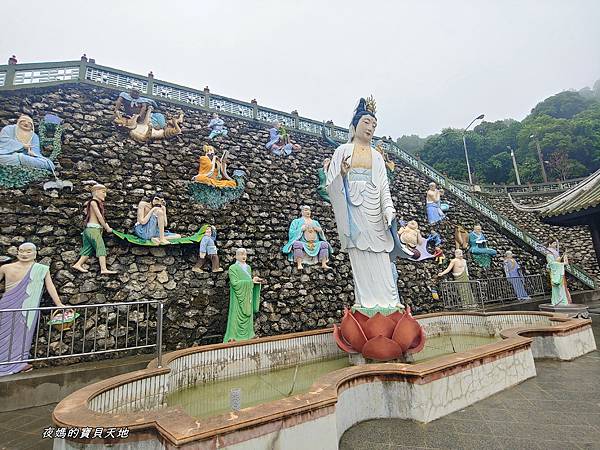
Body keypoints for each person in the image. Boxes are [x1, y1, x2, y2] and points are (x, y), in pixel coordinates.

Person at [326, 97, 401, 309]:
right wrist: (341, 174)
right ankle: (366, 302)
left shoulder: (377, 157)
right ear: (355, 125)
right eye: (366, 122)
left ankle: (389, 301)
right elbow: (331, 185)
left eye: (374, 125)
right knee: (360, 255)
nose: (370, 128)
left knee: (381, 257)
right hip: (353, 208)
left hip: (374, 208)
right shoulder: (341, 151)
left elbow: (384, 186)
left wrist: (388, 209)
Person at [1, 243, 65, 376]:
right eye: (22, 251)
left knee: (23, 335)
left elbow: (50, 287)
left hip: (29, 308)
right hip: (7, 306)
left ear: (35, 253)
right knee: (4, 336)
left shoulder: (41, 269)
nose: (25, 254)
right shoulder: (5, 268)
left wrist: (59, 303)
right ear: (17, 252)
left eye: (29, 251)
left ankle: (19, 362)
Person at [72, 184, 117, 274]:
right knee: (100, 247)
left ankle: (78, 264)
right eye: (103, 192)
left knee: (87, 249)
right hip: (93, 230)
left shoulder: (92, 203)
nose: (105, 195)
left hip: (89, 230)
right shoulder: (93, 202)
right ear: (96, 192)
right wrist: (107, 228)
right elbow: (100, 217)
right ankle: (103, 268)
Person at [223, 248, 264, 342]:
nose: (244, 256)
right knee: (236, 315)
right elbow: (234, 283)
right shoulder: (233, 268)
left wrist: (255, 280)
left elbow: (249, 280)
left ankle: (249, 334)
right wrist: (250, 282)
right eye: (241, 254)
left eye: (245, 254)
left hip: (247, 295)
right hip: (238, 296)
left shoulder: (248, 268)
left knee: (248, 316)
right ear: (236, 256)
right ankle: (232, 336)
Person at [282, 205, 332, 270]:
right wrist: (300, 229)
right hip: (303, 243)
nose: (308, 212)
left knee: (324, 244)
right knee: (297, 244)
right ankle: (299, 264)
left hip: (315, 243)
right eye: (306, 210)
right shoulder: (296, 221)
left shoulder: (315, 222)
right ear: (302, 212)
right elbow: (291, 233)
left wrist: (320, 231)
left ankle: (324, 263)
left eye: (309, 210)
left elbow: (321, 234)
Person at [546, 241, 571, 306]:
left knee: (562, 287)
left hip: (558, 271)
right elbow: (551, 263)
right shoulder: (549, 253)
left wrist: (561, 259)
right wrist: (561, 264)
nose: (555, 245)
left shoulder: (555, 252)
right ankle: (557, 301)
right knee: (557, 288)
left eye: (555, 243)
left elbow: (556, 261)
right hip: (555, 272)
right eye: (554, 243)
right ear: (549, 244)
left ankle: (563, 301)